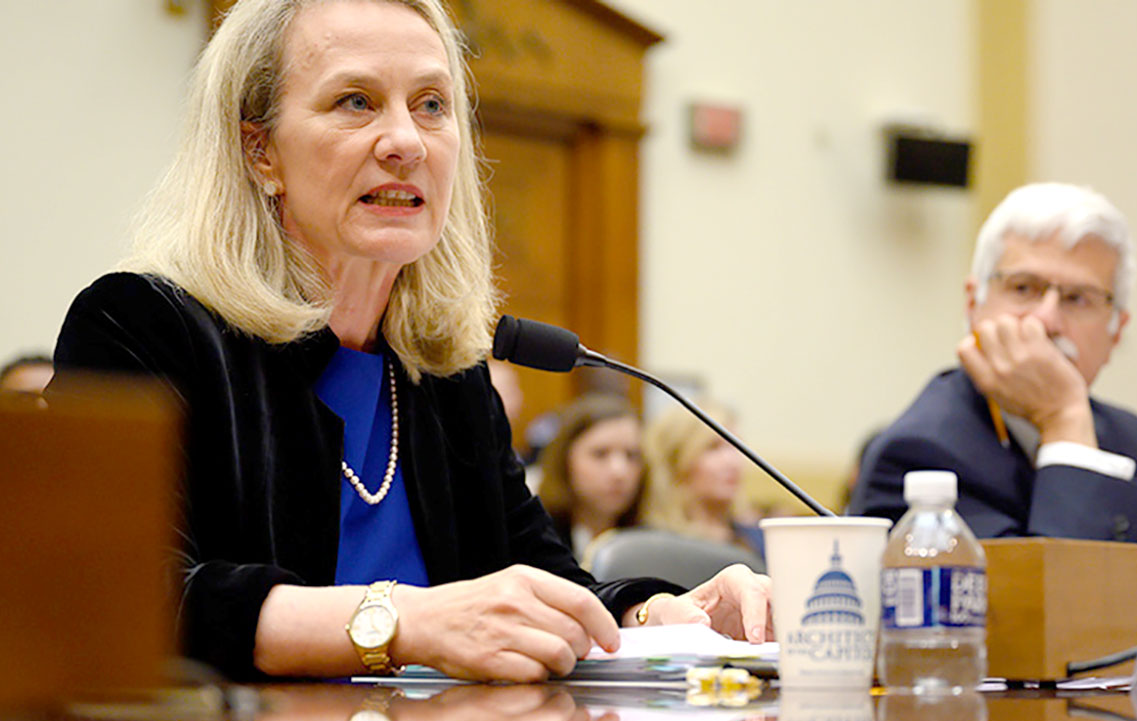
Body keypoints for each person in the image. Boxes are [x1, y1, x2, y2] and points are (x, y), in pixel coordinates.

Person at [50, 0, 770, 683]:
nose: (404, 141)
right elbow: (110, 599)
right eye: (355, 101)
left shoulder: (445, 374)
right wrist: (401, 619)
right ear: (259, 149)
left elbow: (548, 581)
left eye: (431, 105)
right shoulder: (139, 327)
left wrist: (663, 614)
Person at [847, 183, 1137, 543]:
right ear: (973, 305)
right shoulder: (917, 455)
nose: (1046, 321)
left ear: (1116, 331)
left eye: (1078, 299)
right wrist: (1063, 420)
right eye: (1024, 288)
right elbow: (1053, 596)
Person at [642, 401, 765, 557]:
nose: (732, 461)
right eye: (713, 447)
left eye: (737, 446)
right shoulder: (649, 546)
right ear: (677, 460)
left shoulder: (758, 540)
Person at [536, 394, 645, 559]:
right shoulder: (535, 536)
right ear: (565, 460)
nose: (620, 471)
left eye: (631, 455)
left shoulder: (652, 543)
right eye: (600, 454)